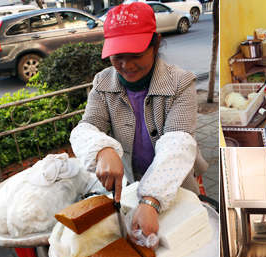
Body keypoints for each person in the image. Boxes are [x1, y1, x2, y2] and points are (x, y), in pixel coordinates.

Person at [70, 2, 207, 242]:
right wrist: (101, 149)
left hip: (175, 185)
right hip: (133, 183)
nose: (126, 65)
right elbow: (86, 127)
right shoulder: (103, 83)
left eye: (136, 55)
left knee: (181, 242)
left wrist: (152, 199)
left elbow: (178, 140)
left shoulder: (181, 83)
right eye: (118, 56)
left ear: (155, 44)